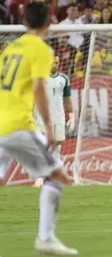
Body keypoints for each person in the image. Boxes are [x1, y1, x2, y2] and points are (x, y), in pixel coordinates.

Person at [0, 2, 77, 256]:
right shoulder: (41, 50)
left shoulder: (10, 48)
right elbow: (39, 88)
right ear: (49, 23)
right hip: (18, 126)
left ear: (24, 22)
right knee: (57, 176)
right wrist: (50, 128)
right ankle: (45, 238)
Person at [33, 56, 75, 187]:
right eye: (52, 63)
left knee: (57, 147)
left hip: (58, 117)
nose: (54, 65)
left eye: (56, 63)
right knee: (42, 146)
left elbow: (67, 98)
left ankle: (53, 176)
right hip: (41, 117)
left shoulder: (64, 79)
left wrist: (71, 115)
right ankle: (40, 177)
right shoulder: (40, 78)